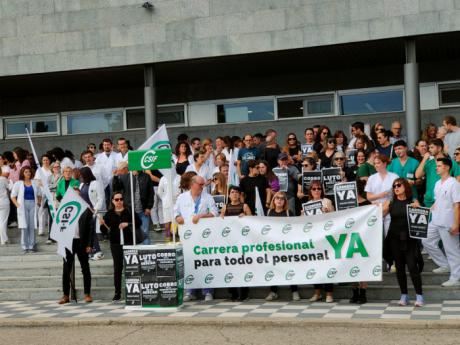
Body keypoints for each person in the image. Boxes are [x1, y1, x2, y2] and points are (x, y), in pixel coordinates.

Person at [174, 175, 218, 301]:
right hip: (187, 237)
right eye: (200, 184)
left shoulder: (208, 197)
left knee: (205, 262)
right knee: (189, 262)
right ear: (192, 184)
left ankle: (208, 291)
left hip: (204, 236)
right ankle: (190, 291)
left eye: (203, 184)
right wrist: (178, 218)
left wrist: (202, 216)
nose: (202, 187)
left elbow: (214, 212)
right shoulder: (182, 197)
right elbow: (176, 212)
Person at [383, 178, 424, 307]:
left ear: (405, 187)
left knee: (412, 266)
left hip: (409, 239)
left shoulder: (413, 201)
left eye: (399, 185)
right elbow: (379, 215)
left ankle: (419, 296)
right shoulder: (390, 202)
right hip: (394, 238)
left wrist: (417, 207)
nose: (396, 187)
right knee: (399, 267)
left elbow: (421, 213)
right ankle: (404, 295)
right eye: (394, 186)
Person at [422, 158, 460, 287]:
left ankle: (455, 277)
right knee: (426, 240)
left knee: (452, 250)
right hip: (436, 220)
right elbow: (436, 202)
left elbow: (457, 205)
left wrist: (456, 224)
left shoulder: (454, 184)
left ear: (447, 167)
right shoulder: (438, 183)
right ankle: (444, 265)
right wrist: (424, 210)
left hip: (448, 222)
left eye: (439, 166)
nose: (436, 168)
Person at [101, 192, 141, 302]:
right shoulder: (109, 214)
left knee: (132, 268)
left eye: (121, 199)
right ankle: (117, 292)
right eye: (117, 199)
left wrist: (127, 224)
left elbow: (139, 222)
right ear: (113, 201)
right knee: (117, 268)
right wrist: (102, 224)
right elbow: (104, 231)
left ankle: (134, 291)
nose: (119, 201)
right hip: (115, 244)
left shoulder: (129, 211)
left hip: (129, 242)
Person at [264, 191, 299, 301]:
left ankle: (294, 291)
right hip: (273, 246)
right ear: (273, 200)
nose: (279, 200)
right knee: (273, 268)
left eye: (282, 198)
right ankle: (273, 291)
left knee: (290, 267)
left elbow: (295, 228)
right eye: (277, 198)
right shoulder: (269, 212)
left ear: (285, 201)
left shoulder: (289, 212)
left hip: (286, 246)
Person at [304, 181, 334, 303]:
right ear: (310, 191)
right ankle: (317, 292)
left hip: (326, 237)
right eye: (314, 189)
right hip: (313, 238)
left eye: (319, 188)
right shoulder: (306, 204)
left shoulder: (327, 201)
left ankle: (329, 293)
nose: (316, 191)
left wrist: (328, 211)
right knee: (315, 265)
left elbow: (335, 216)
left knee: (327, 265)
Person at [220, 186, 252, 301]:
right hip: (229, 243)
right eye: (232, 192)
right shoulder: (225, 207)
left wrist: (246, 216)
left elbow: (253, 221)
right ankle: (233, 292)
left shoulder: (245, 206)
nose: (234, 194)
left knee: (243, 267)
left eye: (236, 192)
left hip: (242, 242)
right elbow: (220, 222)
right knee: (230, 267)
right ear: (229, 195)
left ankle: (244, 292)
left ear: (240, 195)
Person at [111, 162, 154, 245]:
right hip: (130, 211)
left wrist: (149, 207)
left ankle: (146, 252)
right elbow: (116, 189)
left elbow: (151, 193)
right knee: (130, 233)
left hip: (143, 210)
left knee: (144, 233)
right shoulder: (125, 177)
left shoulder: (146, 176)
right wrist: (116, 177)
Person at [59, 206, 94, 304]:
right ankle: (66, 295)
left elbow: (90, 227)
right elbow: (59, 224)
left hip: (81, 242)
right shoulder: (65, 208)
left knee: (85, 268)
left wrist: (89, 244)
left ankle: (87, 294)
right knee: (66, 269)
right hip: (68, 242)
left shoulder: (86, 209)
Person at [365, 154, 399, 236]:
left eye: (378, 163)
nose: (376, 165)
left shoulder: (394, 177)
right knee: (376, 237)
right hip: (375, 210)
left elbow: (398, 194)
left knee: (389, 235)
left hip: (390, 210)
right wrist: (380, 195)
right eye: (375, 163)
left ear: (384, 164)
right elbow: (368, 197)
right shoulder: (371, 178)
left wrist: (388, 203)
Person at [11, 167, 41, 253]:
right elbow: (13, 196)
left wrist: (38, 203)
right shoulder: (18, 183)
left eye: (29, 172)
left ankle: (31, 245)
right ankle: (24, 246)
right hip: (23, 205)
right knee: (24, 226)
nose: (28, 173)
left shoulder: (34, 183)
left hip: (33, 205)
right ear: (22, 173)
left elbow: (39, 194)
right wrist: (17, 205)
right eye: (26, 172)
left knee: (32, 226)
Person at [79, 167, 105, 259]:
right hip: (83, 212)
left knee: (92, 232)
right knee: (86, 232)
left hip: (93, 211)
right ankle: (90, 251)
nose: (80, 177)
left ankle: (97, 251)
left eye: (82, 175)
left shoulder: (95, 183)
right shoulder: (81, 185)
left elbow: (100, 198)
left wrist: (96, 209)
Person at [36, 154, 52, 236]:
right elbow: (37, 181)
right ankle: (41, 230)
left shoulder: (52, 169)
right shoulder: (39, 170)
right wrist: (45, 185)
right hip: (42, 193)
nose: (45, 161)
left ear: (49, 160)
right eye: (44, 160)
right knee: (41, 211)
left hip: (52, 192)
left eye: (47, 160)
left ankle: (51, 229)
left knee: (50, 211)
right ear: (42, 161)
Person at [0, 170, 10, 245]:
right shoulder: (3, 179)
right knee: (3, 221)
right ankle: (4, 239)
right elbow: (9, 188)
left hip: (3, 201)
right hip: (4, 201)